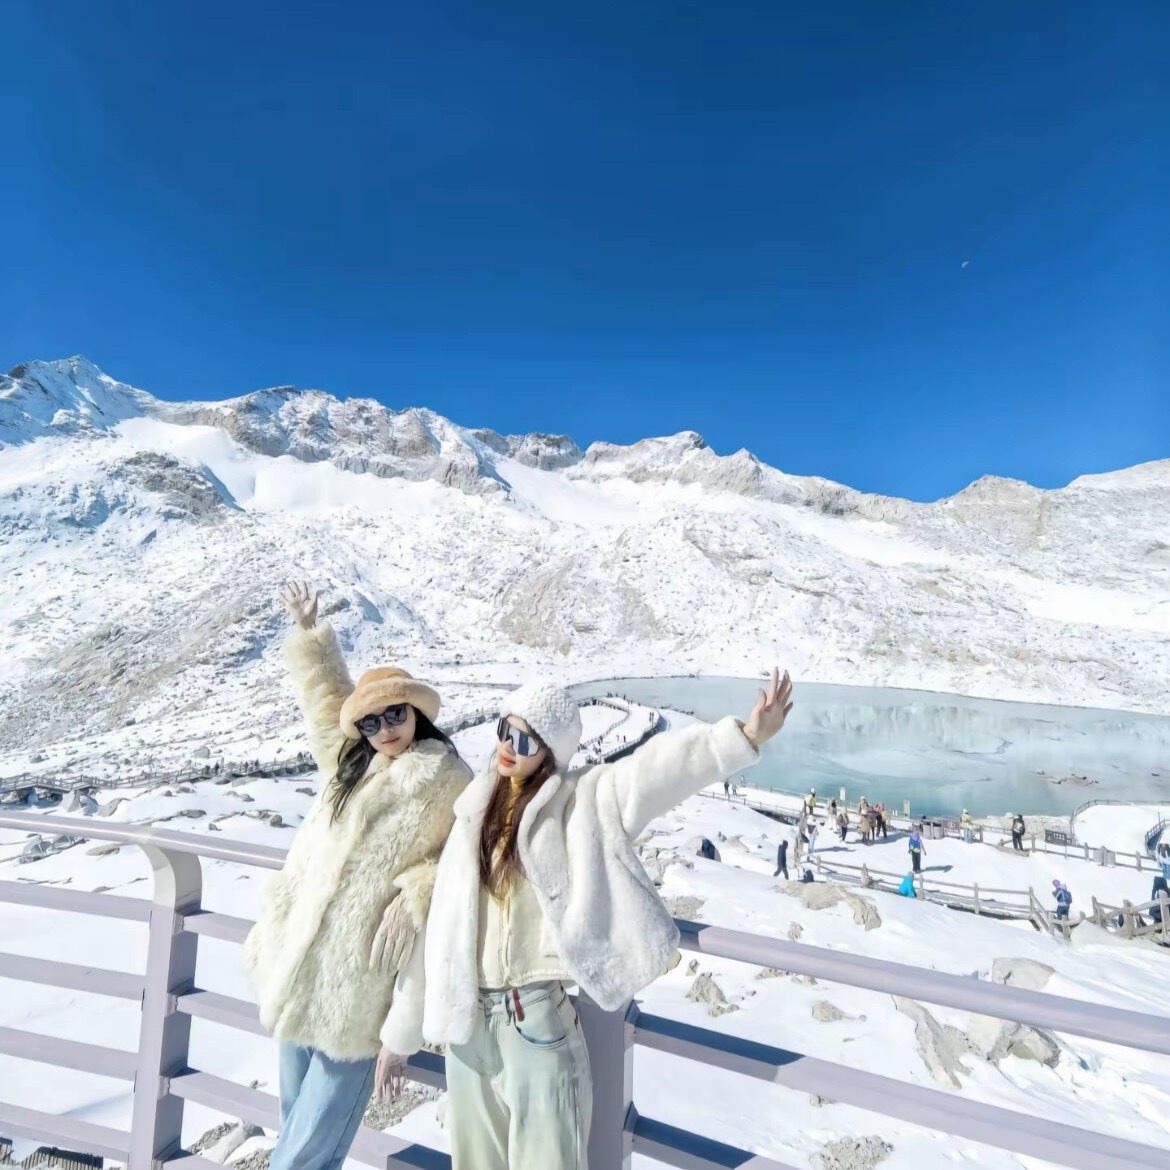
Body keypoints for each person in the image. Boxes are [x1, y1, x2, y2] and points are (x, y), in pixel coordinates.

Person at [423, 669, 794, 1170]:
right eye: (504, 729)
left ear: (550, 752)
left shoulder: (579, 802)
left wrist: (744, 736)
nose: (508, 746)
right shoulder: (474, 807)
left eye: (525, 739)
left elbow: (653, 775)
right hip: (468, 1025)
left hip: (533, 1022)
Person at [244, 582, 471, 1170]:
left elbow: (464, 858)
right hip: (302, 960)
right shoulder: (350, 765)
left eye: (396, 713)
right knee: (295, 1118)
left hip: (361, 977)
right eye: (371, 721)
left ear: (417, 713)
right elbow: (325, 700)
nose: (385, 727)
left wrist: (418, 891)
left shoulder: (450, 779)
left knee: (310, 1144)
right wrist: (309, 634)